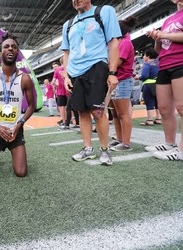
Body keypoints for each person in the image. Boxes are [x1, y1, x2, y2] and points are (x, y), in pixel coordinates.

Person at [61, 0, 121, 165]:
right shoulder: (68, 24)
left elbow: (113, 42)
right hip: (74, 72)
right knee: (82, 112)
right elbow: (66, 52)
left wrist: (112, 72)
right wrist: (66, 76)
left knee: (98, 111)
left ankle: (104, 149)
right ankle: (88, 149)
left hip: (96, 67)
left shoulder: (104, 12)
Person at [0, 33, 35, 178]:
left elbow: (31, 106)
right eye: (7, 46)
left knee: (21, 172)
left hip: (15, 131)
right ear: (0, 53)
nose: (10, 49)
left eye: (14, 47)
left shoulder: (25, 78)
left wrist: (20, 124)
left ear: (17, 52)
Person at [145, 0, 183, 161]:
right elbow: (159, 49)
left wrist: (164, 34)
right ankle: (170, 143)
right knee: (164, 108)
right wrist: (157, 37)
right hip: (165, 64)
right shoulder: (169, 19)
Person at [108, 17, 137, 152]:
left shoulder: (125, 43)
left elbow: (117, 63)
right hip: (116, 81)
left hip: (122, 80)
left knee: (123, 114)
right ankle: (119, 139)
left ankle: (126, 143)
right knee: (115, 114)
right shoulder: (119, 42)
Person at [134, 48, 162, 126]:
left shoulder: (147, 64)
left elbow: (144, 76)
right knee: (157, 103)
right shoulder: (158, 63)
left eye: (144, 55)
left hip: (148, 86)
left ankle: (150, 120)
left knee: (149, 103)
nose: (143, 57)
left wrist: (138, 77)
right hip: (158, 85)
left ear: (148, 56)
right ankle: (158, 119)